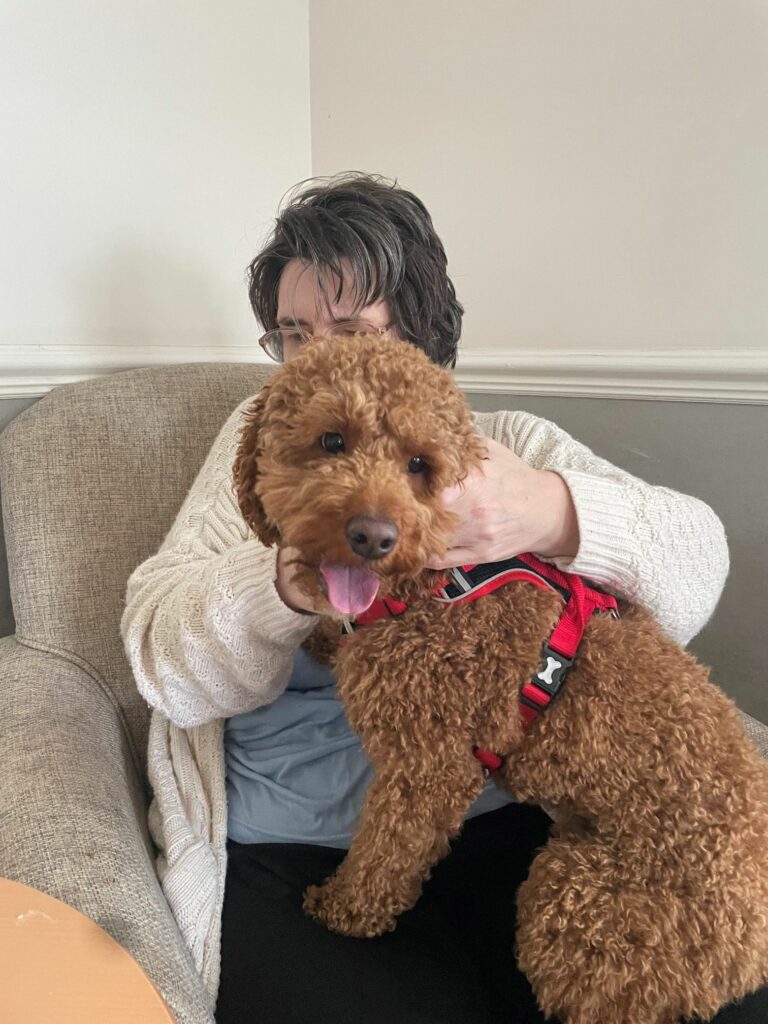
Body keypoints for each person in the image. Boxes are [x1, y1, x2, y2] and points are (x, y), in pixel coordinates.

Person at [121, 173, 764, 1023]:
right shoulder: (267, 432)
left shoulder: (504, 444)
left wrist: (553, 511)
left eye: (349, 328)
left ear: (421, 333)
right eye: (292, 333)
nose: (313, 357)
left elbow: (698, 564)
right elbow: (160, 659)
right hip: (297, 836)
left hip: (503, 819)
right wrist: (282, 584)